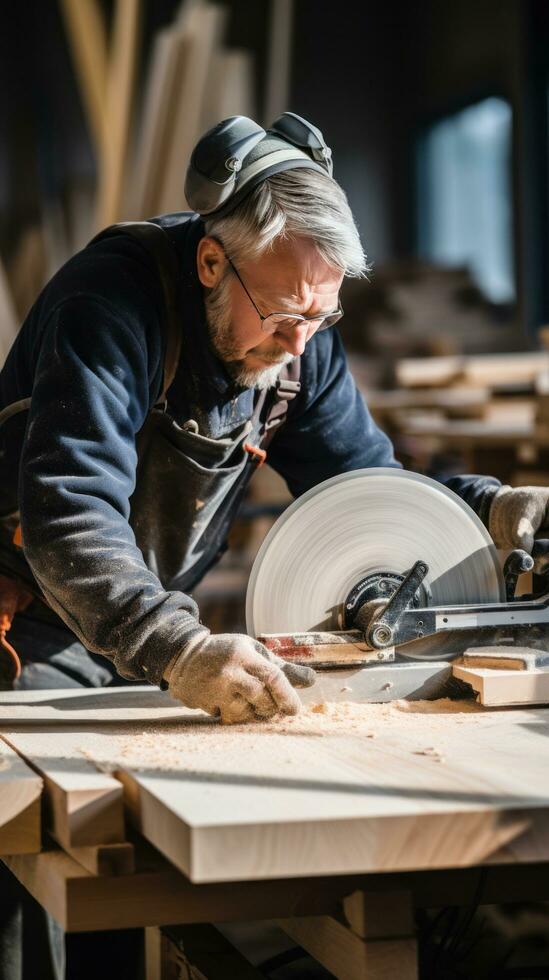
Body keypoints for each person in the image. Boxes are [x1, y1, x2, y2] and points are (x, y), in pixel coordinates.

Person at [0, 111, 547, 720]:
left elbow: (370, 490)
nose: (299, 344)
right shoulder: (108, 305)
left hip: (140, 618)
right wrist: (175, 648)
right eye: (283, 313)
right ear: (211, 263)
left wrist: (487, 507)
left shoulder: (301, 334)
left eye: (321, 317)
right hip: (28, 626)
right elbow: (70, 506)